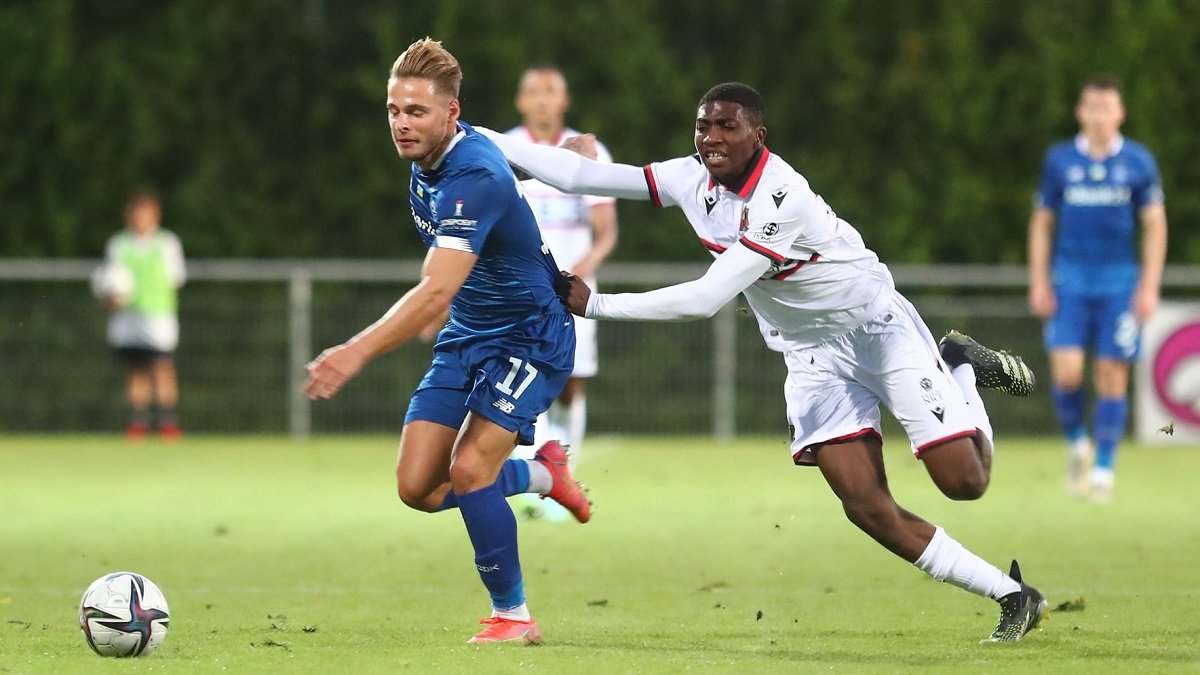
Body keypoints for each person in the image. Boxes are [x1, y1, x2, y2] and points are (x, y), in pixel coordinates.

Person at [478, 82, 1046, 642]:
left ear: (758, 135)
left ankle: (960, 365)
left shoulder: (782, 196)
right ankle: (1012, 595)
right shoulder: (689, 177)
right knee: (865, 505)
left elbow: (705, 298)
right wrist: (472, 136)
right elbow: (581, 175)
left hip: (878, 331)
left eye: (727, 126)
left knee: (965, 482)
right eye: (703, 126)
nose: (712, 137)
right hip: (811, 356)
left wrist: (598, 304)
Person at [302, 37, 590, 645]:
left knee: (470, 468)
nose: (401, 123)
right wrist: (562, 159)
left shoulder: (473, 174)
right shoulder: (434, 161)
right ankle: (542, 474)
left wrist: (354, 351)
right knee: (418, 487)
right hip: (468, 333)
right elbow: (495, 196)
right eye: (394, 110)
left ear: (451, 113)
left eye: (416, 111)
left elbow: (436, 287)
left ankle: (514, 616)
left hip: (529, 336)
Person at [1028, 74, 1167, 502]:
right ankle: (1078, 445)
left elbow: (1155, 224)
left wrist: (1149, 285)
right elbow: (1042, 222)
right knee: (1067, 372)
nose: (1099, 116)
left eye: (1107, 108)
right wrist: (1039, 280)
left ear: (1120, 113)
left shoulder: (1138, 162)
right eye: (1092, 107)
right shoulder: (1060, 161)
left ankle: (1104, 470)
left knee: (1112, 374)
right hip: (1069, 282)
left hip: (1119, 285)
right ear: (1080, 112)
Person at [505, 64, 619, 519]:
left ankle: (565, 474)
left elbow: (605, 232)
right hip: (518, 289)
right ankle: (532, 479)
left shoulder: (588, 151)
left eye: (551, 91)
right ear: (521, 101)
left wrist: (576, 274)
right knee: (516, 378)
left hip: (571, 291)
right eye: (533, 91)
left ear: (564, 101)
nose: (542, 99)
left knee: (570, 383)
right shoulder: (506, 150)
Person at [98, 188, 186, 440]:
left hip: (158, 317)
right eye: (136, 213)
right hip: (128, 318)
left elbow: (176, 280)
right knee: (135, 369)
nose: (140, 218)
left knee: (162, 367)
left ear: (156, 215)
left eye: (145, 213)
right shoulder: (119, 244)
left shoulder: (166, 243)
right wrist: (112, 297)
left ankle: (168, 421)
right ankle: (137, 422)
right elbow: (110, 281)